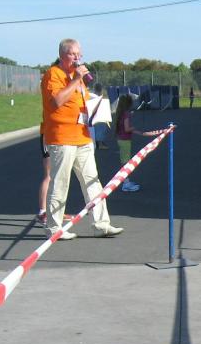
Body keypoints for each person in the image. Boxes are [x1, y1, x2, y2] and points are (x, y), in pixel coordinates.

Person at [41, 39, 123, 240]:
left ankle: (101, 224)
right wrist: (75, 80)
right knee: (60, 183)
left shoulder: (78, 79)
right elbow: (56, 101)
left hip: (83, 136)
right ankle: (54, 228)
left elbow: (83, 101)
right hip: (62, 138)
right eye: (73, 54)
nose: (77, 58)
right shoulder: (54, 74)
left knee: (92, 181)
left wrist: (97, 108)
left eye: (79, 55)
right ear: (62, 56)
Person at [113, 94, 153, 192]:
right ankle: (126, 183)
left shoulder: (121, 113)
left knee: (125, 161)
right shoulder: (126, 114)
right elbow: (127, 129)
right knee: (126, 163)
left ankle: (126, 181)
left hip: (121, 139)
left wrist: (139, 132)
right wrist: (133, 128)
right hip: (125, 141)